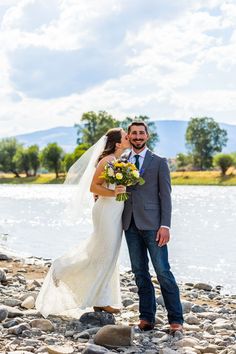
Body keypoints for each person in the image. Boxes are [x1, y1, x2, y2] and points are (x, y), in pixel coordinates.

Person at [36, 128, 130, 317]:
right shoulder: (107, 161)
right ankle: (62, 269)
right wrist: (115, 193)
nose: (129, 137)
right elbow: (93, 187)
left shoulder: (118, 161)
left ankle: (102, 299)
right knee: (105, 253)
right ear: (118, 143)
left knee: (106, 254)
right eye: (125, 136)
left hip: (114, 211)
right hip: (106, 211)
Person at [122, 121, 184, 332]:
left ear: (147, 136)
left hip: (153, 225)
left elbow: (165, 196)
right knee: (140, 273)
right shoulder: (122, 161)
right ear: (128, 136)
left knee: (163, 271)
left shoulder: (159, 162)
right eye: (134, 133)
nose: (138, 136)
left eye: (141, 133)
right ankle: (146, 318)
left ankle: (176, 319)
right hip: (129, 224)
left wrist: (165, 225)